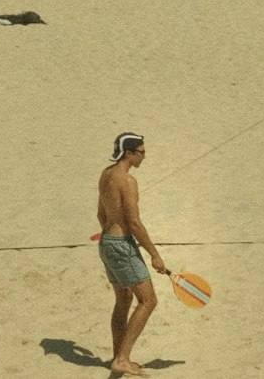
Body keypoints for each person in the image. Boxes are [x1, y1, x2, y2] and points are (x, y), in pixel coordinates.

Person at [96, 132, 167, 376]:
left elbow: (101, 214)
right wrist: (154, 254)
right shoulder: (127, 181)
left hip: (106, 242)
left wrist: (110, 234)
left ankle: (118, 356)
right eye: (141, 152)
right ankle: (123, 359)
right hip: (120, 245)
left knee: (123, 300)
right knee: (148, 301)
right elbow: (134, 223)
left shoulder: (106, 174)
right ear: (129, 153)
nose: (144, 157)